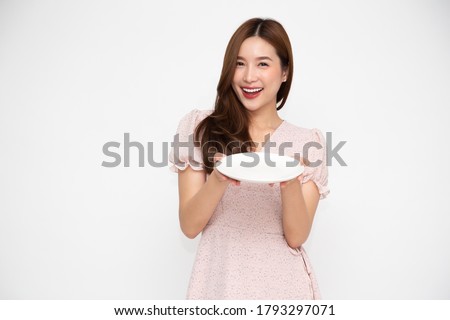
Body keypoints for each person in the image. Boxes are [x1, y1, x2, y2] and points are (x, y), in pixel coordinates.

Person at [169, 17, 329, 299]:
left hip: (283, 289)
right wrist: (219, 177)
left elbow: (296, 237)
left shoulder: (308, 144)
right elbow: (189, 226)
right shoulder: (200, 128)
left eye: (263, 64)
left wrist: (290, 177)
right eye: (239, 63)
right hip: (219, 282)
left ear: (284, 73)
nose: (248, 76)